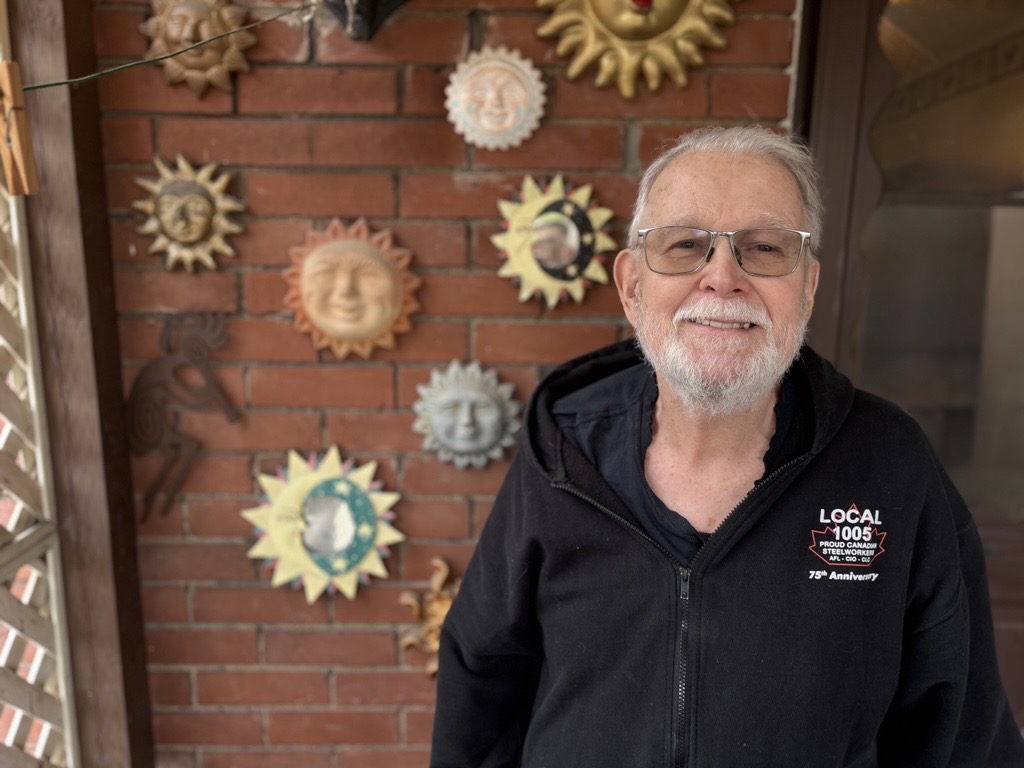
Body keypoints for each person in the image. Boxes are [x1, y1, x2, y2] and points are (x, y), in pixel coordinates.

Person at [430, 126, 1024, 766]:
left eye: (765, 248)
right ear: (631, 286)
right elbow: (481, 690)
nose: (722, 277)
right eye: (684, 245)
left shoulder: (890, 467)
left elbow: (960, 730)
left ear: (809, 287)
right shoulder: (564, 459)